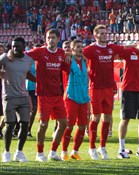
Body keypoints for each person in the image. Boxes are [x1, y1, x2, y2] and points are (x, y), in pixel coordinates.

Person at [21, 29, 69, 161]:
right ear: (45, 39)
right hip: (43, 94)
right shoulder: (39, 51)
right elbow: (23, 55)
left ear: (58, 39)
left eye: (53, 38)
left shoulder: (61, 53)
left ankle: (53, 152)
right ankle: (39, 153)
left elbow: (68, 68)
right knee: (43, 125)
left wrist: (71, 57)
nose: (50, 40)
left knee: (64, 123)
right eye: (48, 38)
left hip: (57, 94)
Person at [82, 25, 126, 160]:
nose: (104, 35)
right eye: (101, 33)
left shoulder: (111, 48)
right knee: (95, 117)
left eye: (105, 33)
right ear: (95, 35)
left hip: (108, 88)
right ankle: (92, 148)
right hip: (95, 88)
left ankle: (103, 147)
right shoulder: (90, 49)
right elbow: (78, 54)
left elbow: (128, 49)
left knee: (107, 118)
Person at [116, 34, 139, 159]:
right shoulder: (129, 52)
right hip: (128, 89)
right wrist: (131, 46)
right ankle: (121, 149)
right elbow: (116, 53)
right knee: (125, 118)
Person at [0, 37, 33, 162]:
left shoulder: (28, 60)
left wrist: (39, 80)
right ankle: (6, 152)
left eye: (17, 46)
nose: (14, 49)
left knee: (25, 124)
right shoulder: (6, 58)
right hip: (9, 96)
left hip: (23, 96)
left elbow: (26, 73)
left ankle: (19, 152)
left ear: (23, 47)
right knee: (9, 124)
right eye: (13, 46)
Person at [59, 40, 90, 161]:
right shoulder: (68, 61)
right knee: (69, 125)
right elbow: (58, 56)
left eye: (81, 46)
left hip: (83, 97)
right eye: (77, 47)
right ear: (72, 50)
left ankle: (75, 151)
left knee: (82, 126)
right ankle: (64, 151)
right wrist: (66, 55)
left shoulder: (84, 61)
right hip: (71, 96)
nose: (80, 48)